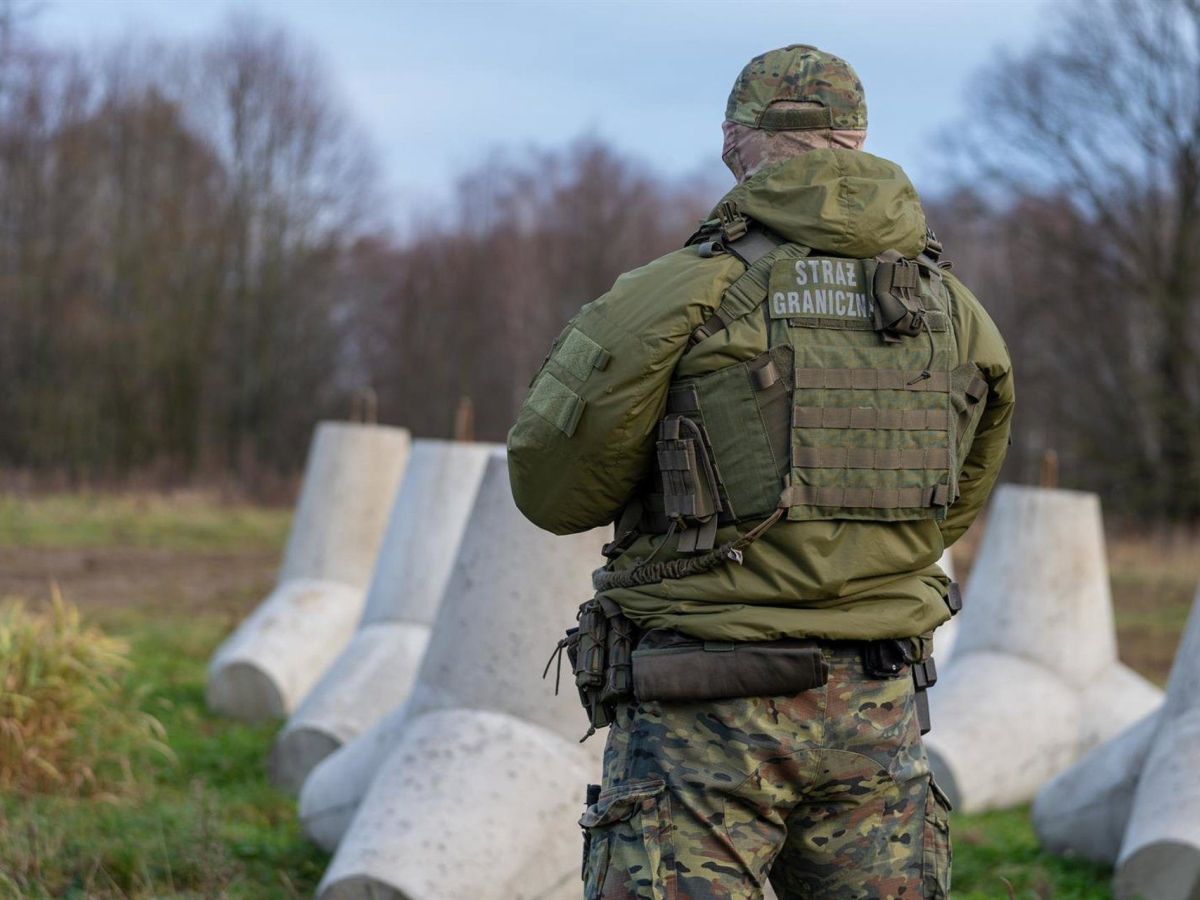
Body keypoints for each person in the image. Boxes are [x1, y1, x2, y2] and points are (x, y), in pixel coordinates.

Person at [508, 44, 1014, 900]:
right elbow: (951, 507)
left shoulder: (674, 295)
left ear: (734, 141)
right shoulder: (957, 313)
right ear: (857, 141)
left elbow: (550, 489)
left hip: (703, 713)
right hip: (879, 708)